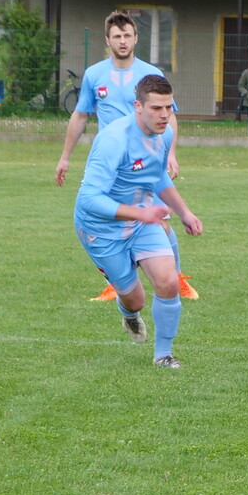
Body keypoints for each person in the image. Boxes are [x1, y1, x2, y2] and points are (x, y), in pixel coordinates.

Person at [55, 10, 197, 300]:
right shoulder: (94, 74)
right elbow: (80, 115)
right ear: (107, 40)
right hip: (114, 162)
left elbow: (169, 115)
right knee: (111, 215)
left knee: (160, 221)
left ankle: (176, 277)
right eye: (117, 36)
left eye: (127, 35)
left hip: (146, 159)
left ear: (136, 38)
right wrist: (65, 156)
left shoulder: (151, 74)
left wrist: (170, 153)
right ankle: (118, 281)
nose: (122, 41)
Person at [75, 74, 202, 368]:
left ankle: (163, 355)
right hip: (100, 229)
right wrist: (142, 213)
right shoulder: (114, 140)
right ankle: (129, 315)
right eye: (156, 108)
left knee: (168, 282)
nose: (164, 115)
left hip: (142, 222)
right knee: (136, 300)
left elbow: (156, 177)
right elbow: (89, 199)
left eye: (168, 107)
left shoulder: (164, 134)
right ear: (138, 106)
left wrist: (185, 212)